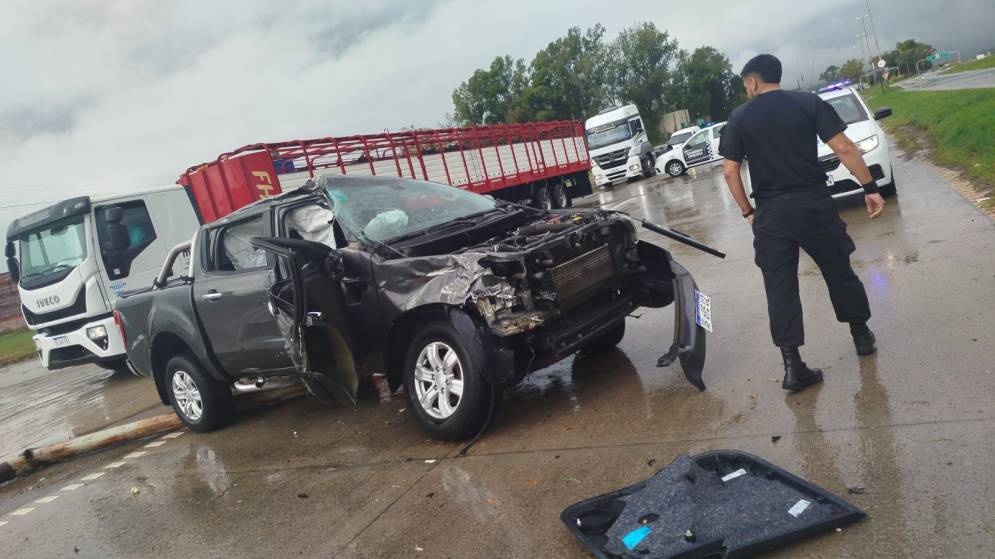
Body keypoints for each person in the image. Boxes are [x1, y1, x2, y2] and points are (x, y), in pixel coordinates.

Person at [719, 54, 886, 393]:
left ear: (752, 82)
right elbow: (843, 147)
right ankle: (861, 336)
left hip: (771, 214)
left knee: (779, 286)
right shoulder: (808, 103)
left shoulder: (739, 118)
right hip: (814, 205)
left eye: (745, 85)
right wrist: (869, 187)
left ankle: (793, 366)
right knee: (838, 269)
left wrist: (748, 212)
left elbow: (730, 171)